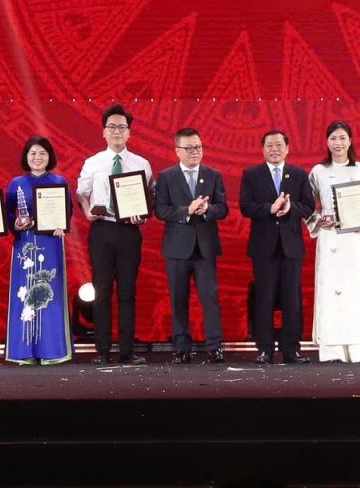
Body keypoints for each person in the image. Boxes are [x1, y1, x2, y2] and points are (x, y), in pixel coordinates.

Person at [75, 105, 152, 365]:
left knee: (128, 292)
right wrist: (87, 210)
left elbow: (148, 198)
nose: (117, 131)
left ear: (129, 133)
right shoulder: (93, 162)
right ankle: (103, 350)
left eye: (122, 127)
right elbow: (81, 192)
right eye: (112, 127)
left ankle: (127, 350)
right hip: (102, 230)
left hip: (129, 231)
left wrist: (142, 215)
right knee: (102, 290)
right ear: (103, 132)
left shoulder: (142, 164)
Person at [307, 120, 360, 363]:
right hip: (331, 239)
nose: (338, 143)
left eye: (342, 138)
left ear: (350, 141)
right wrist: (319, 220)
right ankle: (333, 350)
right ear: (327, 142)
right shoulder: (318, 171)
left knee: (357, 292)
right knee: (332, 290)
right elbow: (306, 204)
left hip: (356, 238)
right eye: (333, 138)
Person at [153, 127, 228, 363]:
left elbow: (223, 208)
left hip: (205, 247)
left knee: (210, 298)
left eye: (198, 147)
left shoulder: (213, 174)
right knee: (178, 298)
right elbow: (161, 210)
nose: (194, 151)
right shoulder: (166, 177)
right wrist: (188, 210)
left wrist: (207, 210)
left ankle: (215, 347)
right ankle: (181, 348)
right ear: (177, 151)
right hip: (177, 248)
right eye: (189, 148)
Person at [239, 129, 314, 364]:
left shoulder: (299, 174)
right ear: (263, 149)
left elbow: (309, 206)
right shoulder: (252, 174)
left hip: (291, 246)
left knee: (292, 298)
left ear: (287, 148)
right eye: (269, 145)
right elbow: (245, 206)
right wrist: (269, 209)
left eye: (279, 145)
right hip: (263, 247)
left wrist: (291, 209)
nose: (274, 149)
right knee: (264, 298)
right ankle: (265, 349)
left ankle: (292, 349)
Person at [5, 136, 73, 365]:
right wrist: (16, 225)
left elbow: (67, 212)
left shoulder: (60, 182)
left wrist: (61, 225)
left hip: (51, 245)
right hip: (25, 246)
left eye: (42, 153)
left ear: (49, 156)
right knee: (24, 294)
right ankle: (24, 352)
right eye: (33, 153)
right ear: (26, 157)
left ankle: (52, 351)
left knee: (50, 295)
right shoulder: (16, 184)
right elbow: (7, 214)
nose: (37, 157)